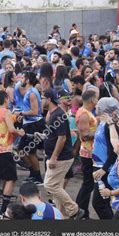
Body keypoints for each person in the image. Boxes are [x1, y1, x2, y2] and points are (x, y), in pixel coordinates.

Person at [42, 89, 85, 219]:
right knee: (57, 186)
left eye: (43, 97)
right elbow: (56, 135)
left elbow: (62, 138)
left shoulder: (58, 115)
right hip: (57, 157)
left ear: (49, 99)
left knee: (49, 185)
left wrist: (54, 157)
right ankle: (60, 215)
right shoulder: (53, 113)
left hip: (61, 158)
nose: (41, 100)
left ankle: (74, 209)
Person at [0, 90, 25, 215]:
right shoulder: (6, 112)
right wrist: (20, 132)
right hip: (5, 150)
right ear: (6, 99)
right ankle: (3, 209)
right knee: (11, 179)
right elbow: (12, 130)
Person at [75, 90, 98, 219]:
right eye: (96, 98)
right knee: (88, 184)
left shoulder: (87, 112)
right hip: (88, 153)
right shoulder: (84, 114)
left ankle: (81, 210)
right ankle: (81, 211)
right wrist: (100, 133)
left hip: (90, 152)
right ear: (92, 100)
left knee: (88, 184)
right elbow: (84, 136)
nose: (97, 101)